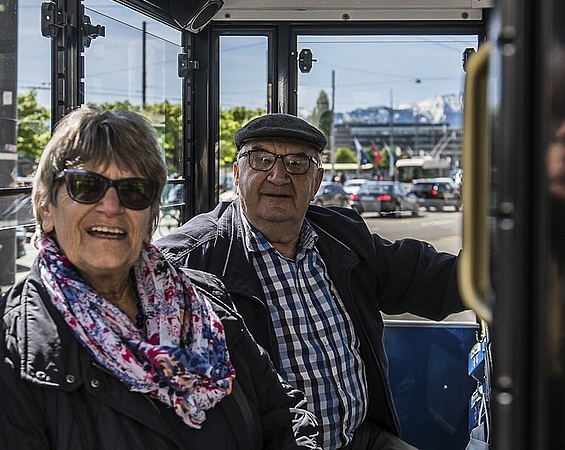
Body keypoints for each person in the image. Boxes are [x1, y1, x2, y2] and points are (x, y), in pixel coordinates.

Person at [0, 107, 321, 449]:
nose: (110, 207)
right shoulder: (9, 350)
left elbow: (283, 410)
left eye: (134, 191)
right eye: (86, 186)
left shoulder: (205, 299)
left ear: (151, 215)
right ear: (45, 206)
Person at [156, 113, 465, 450]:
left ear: (316, 181)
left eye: (297, 163)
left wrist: (508, 273)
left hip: (363, 437)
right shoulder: (188, 261)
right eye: (261, 160)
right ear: (236, 175)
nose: (278, 175)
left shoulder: (341, 235)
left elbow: (428, 277)